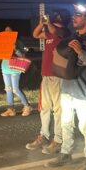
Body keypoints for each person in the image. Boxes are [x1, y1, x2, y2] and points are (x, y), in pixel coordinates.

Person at [46, 4, 86, 170]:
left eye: (78, 15)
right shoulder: (73, 35)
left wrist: (81, 52)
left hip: (84, 87)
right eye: (74, 15)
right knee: (65, 124)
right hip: (67, 86)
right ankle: (66, 154)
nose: (74, 17)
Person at [26, 11, 70, 154]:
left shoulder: (64, 32)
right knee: (44, 108)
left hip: (57, 76)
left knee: (58, 109)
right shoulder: (50, 33)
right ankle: (43, 136)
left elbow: (55, 31)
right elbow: (35, 34)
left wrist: (48, 23)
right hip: (46, 76)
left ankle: (58, 140)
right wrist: (41, 24)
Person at [0, 27, 32, 117]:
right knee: (8, 89)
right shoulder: (3, 42)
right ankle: (11, 109)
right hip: (5, 67)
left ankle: (27, 106)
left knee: (15, 89)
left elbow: (23, 55)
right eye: (5, 31)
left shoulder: (19, 42)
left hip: (15, 67)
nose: (7, 33)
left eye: (9, 31)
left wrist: (15, 49)